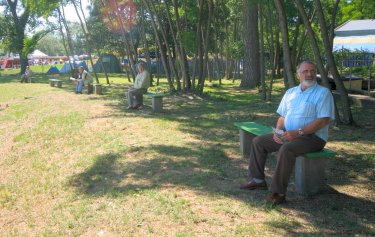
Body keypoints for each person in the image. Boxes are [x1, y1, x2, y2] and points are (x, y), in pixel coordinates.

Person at [239, 60, 335, 205]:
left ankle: (278, 192)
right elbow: (283, 116)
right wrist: (278, 132)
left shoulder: (323, 93)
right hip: (289, 135)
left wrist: (299, 132)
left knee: (286, 149)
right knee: (258, 142)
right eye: (305, 71)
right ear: (298, 75)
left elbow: (323, 120)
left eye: (312, 71)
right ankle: (257, 180)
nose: (309, 74)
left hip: (313, 138)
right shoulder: (291, 92)